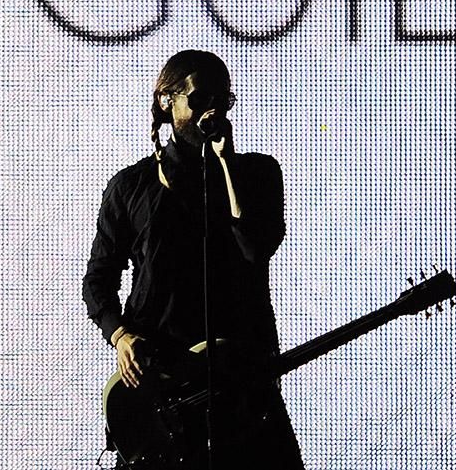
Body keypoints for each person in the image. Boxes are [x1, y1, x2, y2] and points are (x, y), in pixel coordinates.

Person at [83, 50, 303, 469]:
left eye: (223, 100)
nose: (213, 110)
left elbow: (256, 247)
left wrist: (226, 163)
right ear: (167, 101)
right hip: (163, 386)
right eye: (201, 99)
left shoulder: (258, 174)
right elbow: (98, 280)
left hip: (241, 379)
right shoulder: (131, 187)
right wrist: (121, 337)